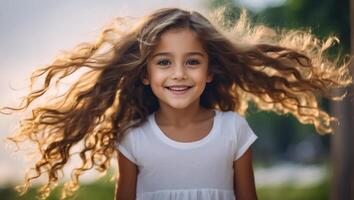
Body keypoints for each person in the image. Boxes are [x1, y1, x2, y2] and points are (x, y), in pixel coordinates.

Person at [2, 7, 351, 200]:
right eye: (164, 62)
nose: (179, 74)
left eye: (193, 62)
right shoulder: (133, 138)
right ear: (144, 73)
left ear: (210, 71)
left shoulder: (234, 128)